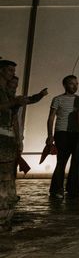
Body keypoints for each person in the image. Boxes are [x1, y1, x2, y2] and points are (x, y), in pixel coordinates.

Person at [0, 60, 27, 230]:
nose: (12, 73)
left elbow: (14, 120)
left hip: (8, 138)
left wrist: (18, 139)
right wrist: (13, 103)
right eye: (9, 70)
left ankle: (5, 216)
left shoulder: (7, 92)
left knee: (7, 177)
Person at [47, 75, 79, 199]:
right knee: (61, 161)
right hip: (62, 132)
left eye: (76, 83)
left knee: (75, 162)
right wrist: (50, 135)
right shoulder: (58, 99)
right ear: (65, 85)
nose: (75, 86)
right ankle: (58, 188)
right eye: (72, 83)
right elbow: (51, 117)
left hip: (76, 133)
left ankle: (72, 188)